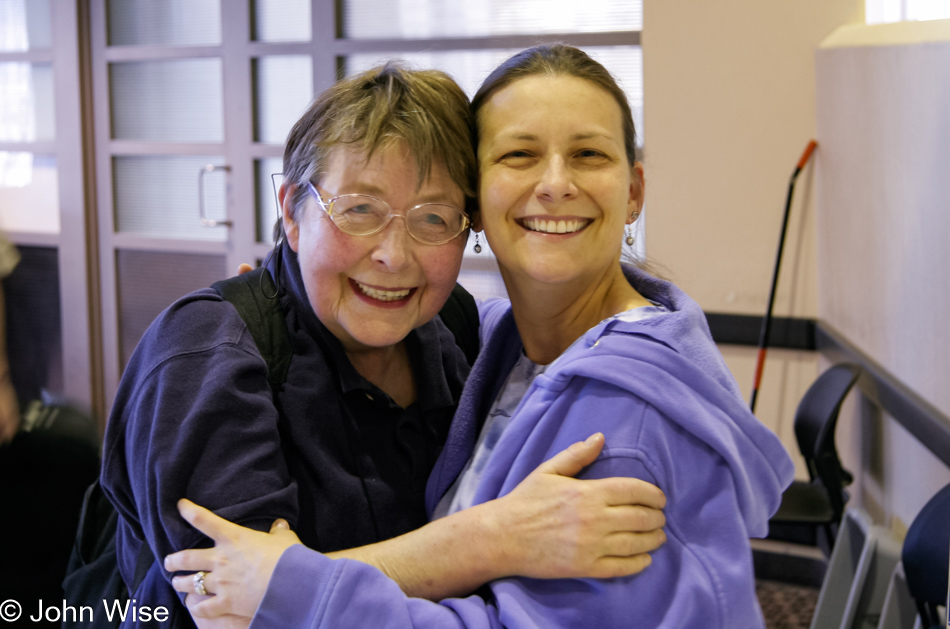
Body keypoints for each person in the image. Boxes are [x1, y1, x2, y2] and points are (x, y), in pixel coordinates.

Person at [165, 45, 796, 629]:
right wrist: (273, 296)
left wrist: (297, 587)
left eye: (589, 154)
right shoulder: (499, 343)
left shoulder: (623, 422)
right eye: (519, 154)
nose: (555, 183)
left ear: (632, 193)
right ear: (482, 204)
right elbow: (199, 596)